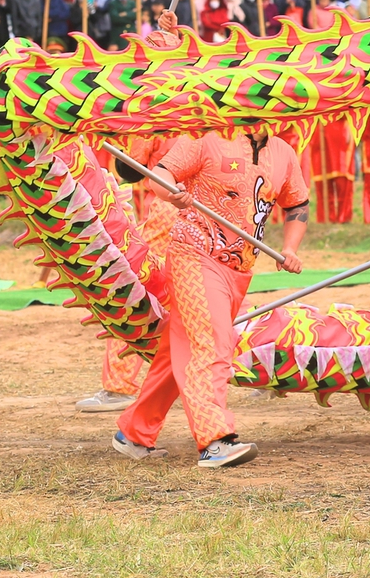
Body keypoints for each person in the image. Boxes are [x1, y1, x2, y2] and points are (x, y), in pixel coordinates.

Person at [112, 130, 309, 468]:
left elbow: (297, 204)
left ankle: (134, 432)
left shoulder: (283, 152)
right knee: (213, 344)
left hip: (240, 268)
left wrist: (289, 248)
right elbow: (160, 174)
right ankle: (215, 439)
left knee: (183, 349)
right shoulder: (205, 138)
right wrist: (173, 194)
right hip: (195, 254)